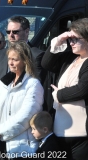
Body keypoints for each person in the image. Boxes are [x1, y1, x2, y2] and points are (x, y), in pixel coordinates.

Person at [0, 41, 44, 160]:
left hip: (22, 148)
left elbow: (26, 115)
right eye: (9, 58)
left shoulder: (33, 85)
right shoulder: (3, 83)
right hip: (1, 146)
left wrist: (0, 131)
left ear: (25, 61)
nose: (10, 62)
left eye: (15, 59)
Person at [41, 17, 88, 160]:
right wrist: (59, 40)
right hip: (61, 132)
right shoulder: (71, 58)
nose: (71, 42)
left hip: (82, 136)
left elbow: (82, 89)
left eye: (76, 39)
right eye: (70, 39)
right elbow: (46, 64)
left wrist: (58, 95)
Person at [0, 16, 45, 92]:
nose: (10, 35)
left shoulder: (36, 55)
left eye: (15, 32)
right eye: (8, 32)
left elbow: (37, 86)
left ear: (27, 31)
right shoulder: (1, 54)